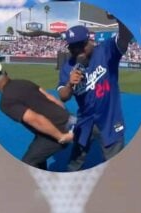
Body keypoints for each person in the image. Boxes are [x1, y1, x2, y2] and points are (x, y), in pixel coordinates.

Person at [57, 17, 133, 171]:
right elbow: (63, 96)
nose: (76, 51)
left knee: (115, 165)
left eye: (79, 46)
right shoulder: (68, 67)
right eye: (72, 47)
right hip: (85, 121)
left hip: (110, 118)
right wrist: (70, 84)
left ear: (89, 41)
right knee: (74, 163)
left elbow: (125, 36)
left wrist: (119, 15)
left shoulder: (106, 50)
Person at [0, 61, 74, 170]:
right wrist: (67, 117)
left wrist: (61, 137)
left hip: (57, 131)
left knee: (29, 163)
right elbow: (50, 98)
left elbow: (35, 119)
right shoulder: (24, 82)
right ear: (5, 72)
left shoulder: (5, 102)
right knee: (36, 151)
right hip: (68, 119)